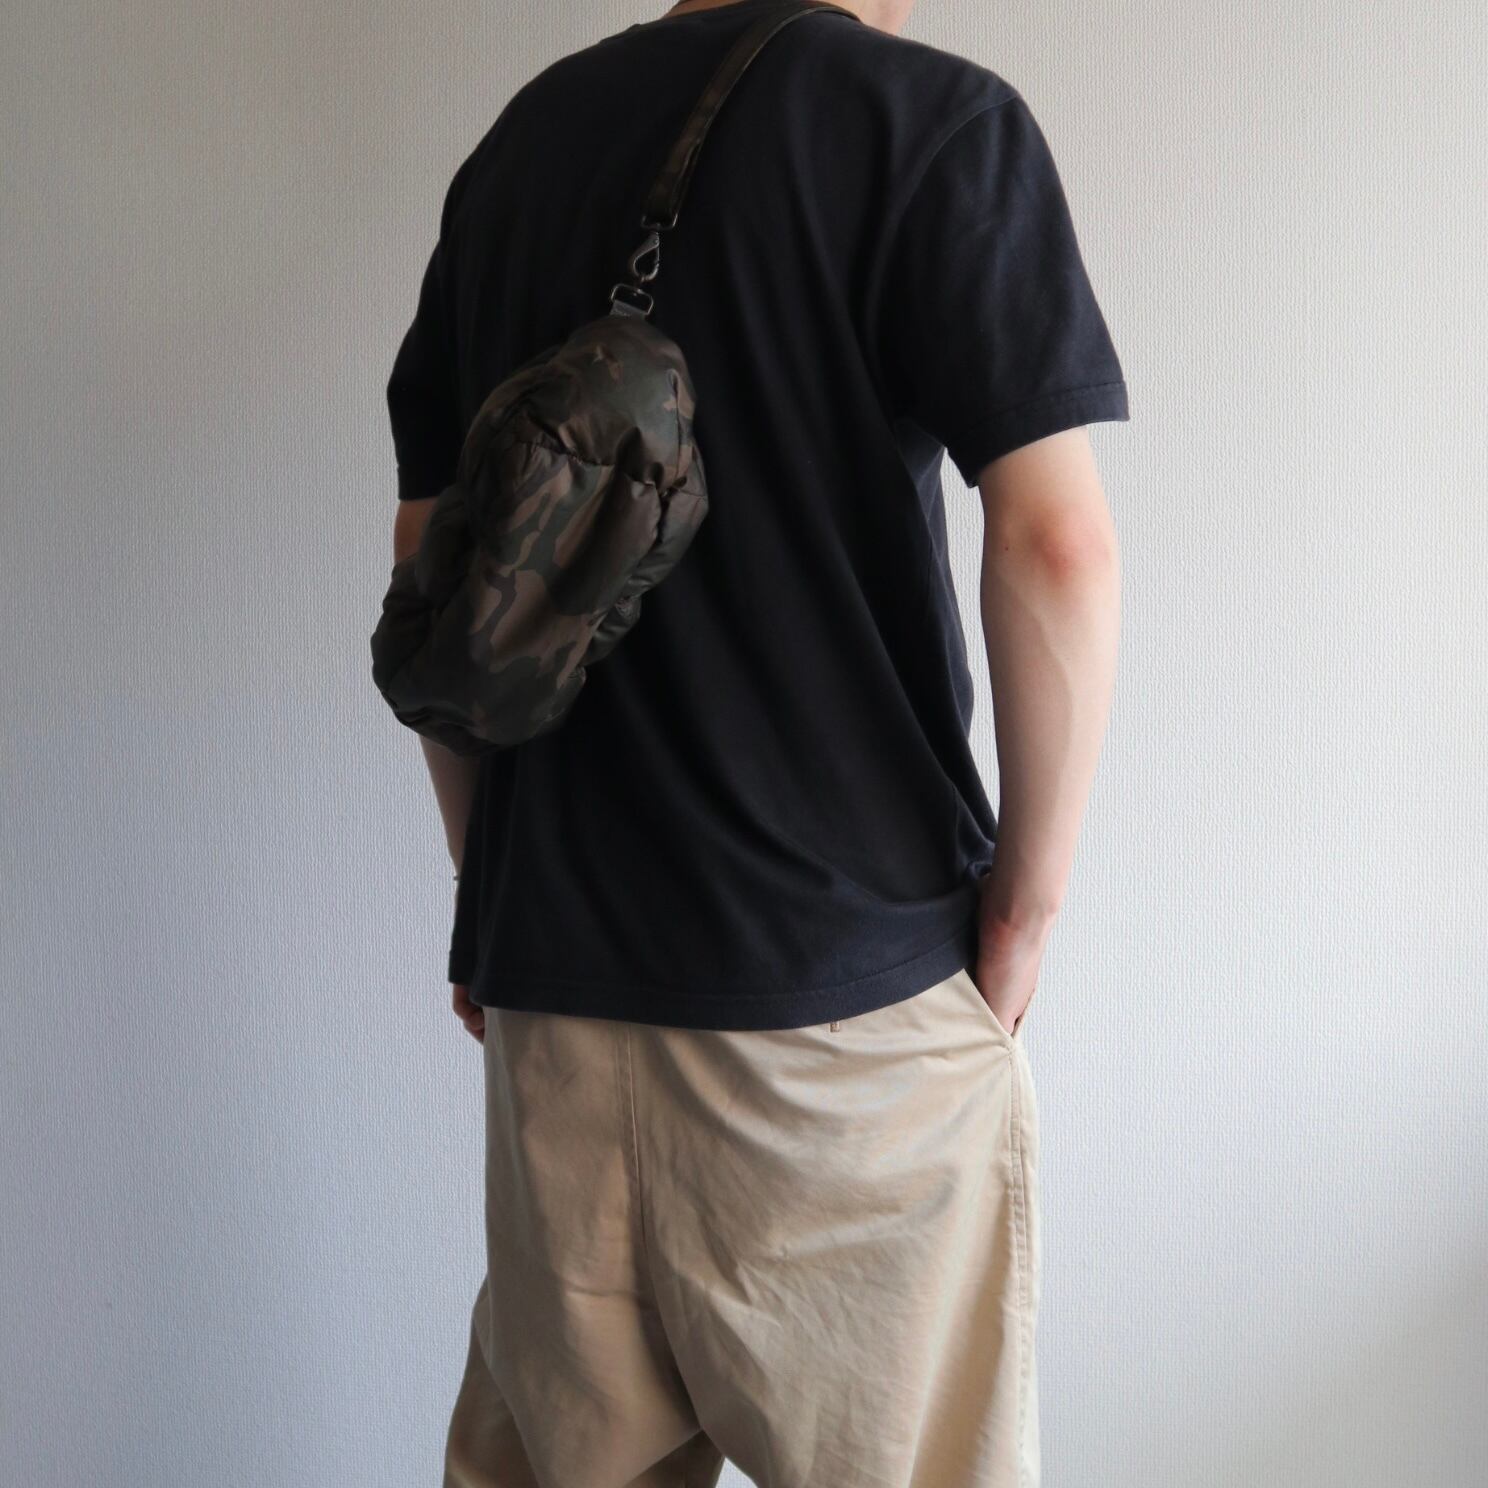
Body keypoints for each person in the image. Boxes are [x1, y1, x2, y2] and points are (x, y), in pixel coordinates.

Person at [384, 1, 1126, 1483]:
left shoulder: (523, 149)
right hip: (838, 1021)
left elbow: (435, 575)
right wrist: (1024, 918)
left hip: (558, 1006)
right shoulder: (931, 126)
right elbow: (1057, 548)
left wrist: (492, 893)